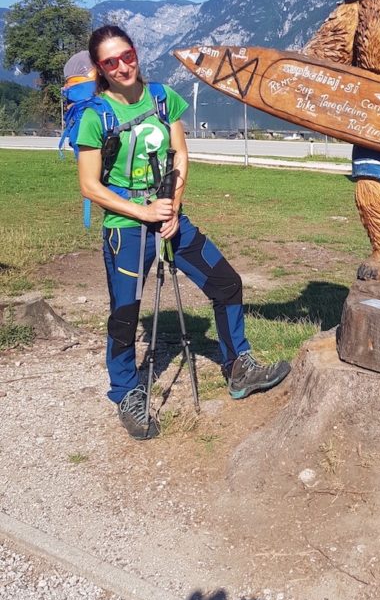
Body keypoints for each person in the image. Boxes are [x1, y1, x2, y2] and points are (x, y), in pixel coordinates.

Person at [76, 24, 290, 440]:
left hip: (170, 218)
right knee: (125, 315)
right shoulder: (94, 116)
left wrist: (171, 207)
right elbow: (90, 186)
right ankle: (126, 392)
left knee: (226, 283)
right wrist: (144, 210)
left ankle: (238, 367)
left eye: (128, 55)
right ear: (100, 69)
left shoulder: (162, 98)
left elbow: (180, 155)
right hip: (127, 229)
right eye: (111, 62)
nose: (123, 66)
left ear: (136, 53)